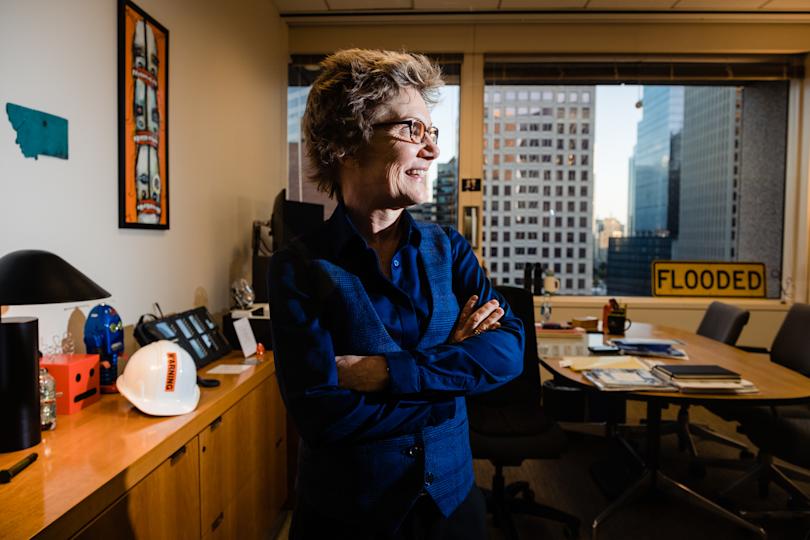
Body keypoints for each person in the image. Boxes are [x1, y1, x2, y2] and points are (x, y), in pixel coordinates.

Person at [268, 49, 524, 540]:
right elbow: (324, 417)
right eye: (412, 130)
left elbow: (508, 351)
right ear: (346, 142)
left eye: (432, 134)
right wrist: (453, 367)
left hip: (453, 507)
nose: (432, 152)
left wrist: (385, 372)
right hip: (346, 518)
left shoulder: (449, 249)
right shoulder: (297, 267)